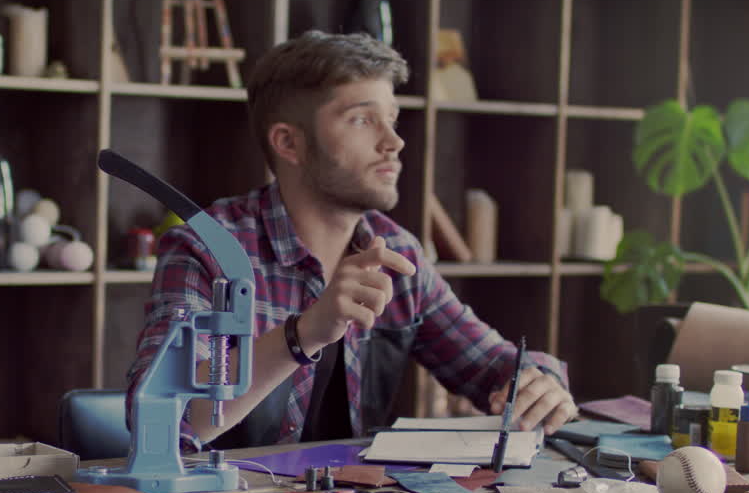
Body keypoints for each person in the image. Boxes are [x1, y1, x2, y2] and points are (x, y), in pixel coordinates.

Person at [126, 30, 577, 449]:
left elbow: (490, 367)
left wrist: (539, 381)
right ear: (289, 143)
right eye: (362, 120)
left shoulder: (396, 253)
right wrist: (303, 334)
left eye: (392, 119)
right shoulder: (207, 250)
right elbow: (163, 417)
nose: (394, 142)